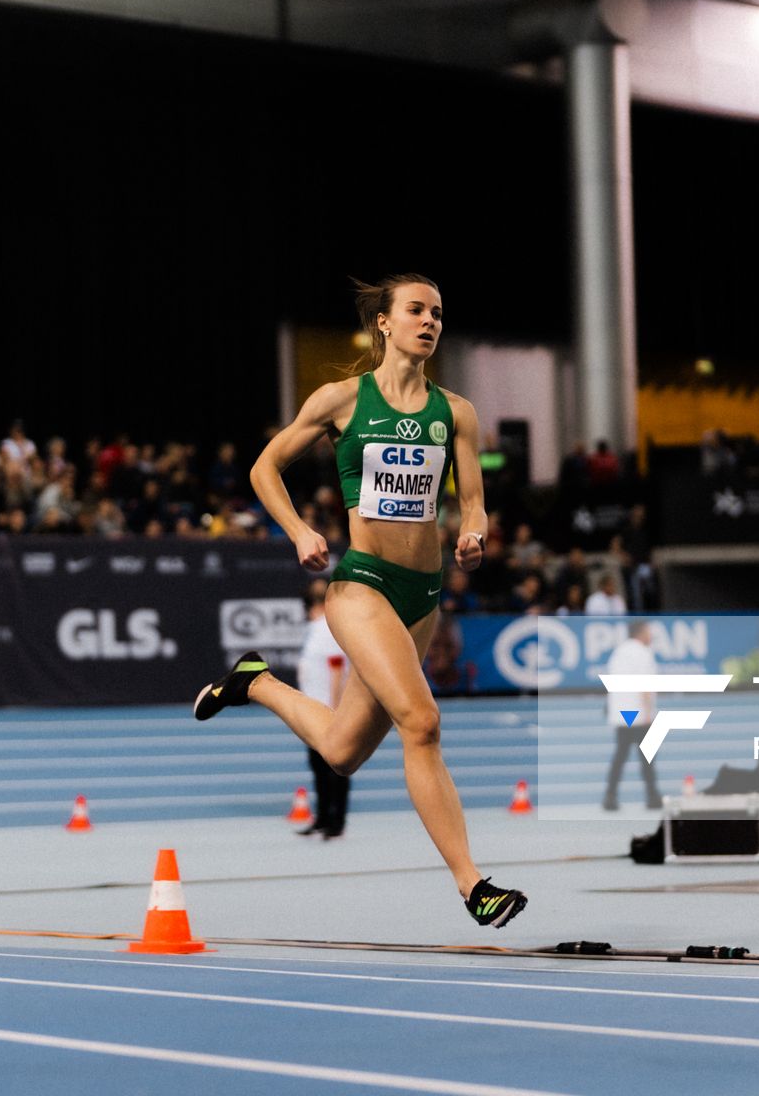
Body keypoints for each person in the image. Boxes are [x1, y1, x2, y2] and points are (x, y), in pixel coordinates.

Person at [191, 273, 527, 928]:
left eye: (437, 313)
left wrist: (475, 531)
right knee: (422, 724)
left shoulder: (456, 411)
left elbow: (474, 498)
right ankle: (474, 885)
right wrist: (299, 531)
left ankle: (255, 684)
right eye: (415, 310)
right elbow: (264, 468)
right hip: (362, 583)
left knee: (343, 751)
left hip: (423, 591)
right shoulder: (342, 400)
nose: (429, 322)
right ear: (385, 322)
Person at [295, 582, 353, 839]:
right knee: (318, 766)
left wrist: (336, 709)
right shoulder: (315, 629)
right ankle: (322, 818)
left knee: (334, 767)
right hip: (314, 708)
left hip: (327, 709)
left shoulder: (328, 628)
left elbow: (337, 668)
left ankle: (336, 821)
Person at [601, 621, 662, 812]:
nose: (651, 636)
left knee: (620, 755)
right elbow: (645, 683)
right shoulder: (643, 653)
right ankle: (652, 796)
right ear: (640, 633)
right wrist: (647, 712)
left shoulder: (618, 652)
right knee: (647, 757)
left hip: (622, 712)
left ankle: (610, 795)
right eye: (648, 631)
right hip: (638, 712)